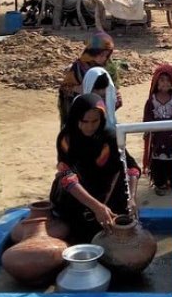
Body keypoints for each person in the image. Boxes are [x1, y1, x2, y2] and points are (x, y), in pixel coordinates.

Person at [49, 94, 141, 243]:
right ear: (75, 118)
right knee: (62, 181)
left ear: (102, 118)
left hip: (107, 192)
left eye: (95, 121)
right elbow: (67, 176)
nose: (90, 126)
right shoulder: (67, 138)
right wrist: (96, 207)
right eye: (84, 121)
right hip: (78, 195)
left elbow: (131, 167)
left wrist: (132, 198)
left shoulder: (110, 137)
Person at [142, 64, 172, 195]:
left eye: (168, 80)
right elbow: (147, 118)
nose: (165, 83)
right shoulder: (151, 101)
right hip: (158, 138)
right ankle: (159, 183)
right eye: (162, 80)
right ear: (156, 82)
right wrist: (147, 132)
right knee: (158, 161)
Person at [58, 31, 115, 129]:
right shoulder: (79, 67)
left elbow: (114, 87)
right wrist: (78, 89)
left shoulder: (108, 67)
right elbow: (65, 88)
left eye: (107, 55)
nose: (104, 58)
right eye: (101, 55)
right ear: (92, 52)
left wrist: (114, 95)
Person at [81, 66, 122, 134]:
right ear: (89, 86)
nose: (101, 92)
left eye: (103, 88)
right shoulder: (79, 104)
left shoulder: (109, 99)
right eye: (97, 89)